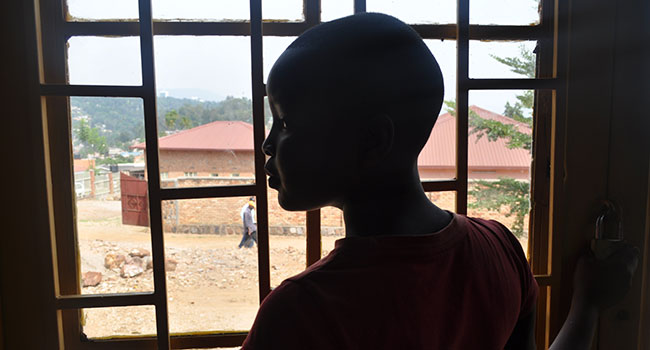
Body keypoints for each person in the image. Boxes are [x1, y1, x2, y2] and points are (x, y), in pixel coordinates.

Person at [241, 13, 639, 350]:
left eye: (287, 122)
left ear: (372, 141)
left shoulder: (301, 313)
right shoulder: (499, 249)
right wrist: (586, 306)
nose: (268, 143)